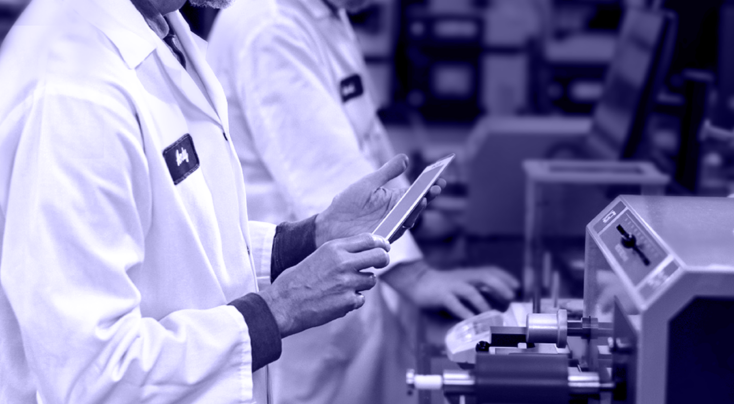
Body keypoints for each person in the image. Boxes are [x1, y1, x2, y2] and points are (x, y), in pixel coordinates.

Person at [0, 0, 444, 401]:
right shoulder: (73, 92)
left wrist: (311, 237)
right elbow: (93, 374)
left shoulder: (164, 33)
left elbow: (181, 235)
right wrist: (279, 308)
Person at [208, 0, 521, 402]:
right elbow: (323, 170)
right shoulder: (269, 27)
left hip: (347, 282)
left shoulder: (323, 15)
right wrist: (419, 278)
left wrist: (413, 211)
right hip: (302, 293)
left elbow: (364, 139)